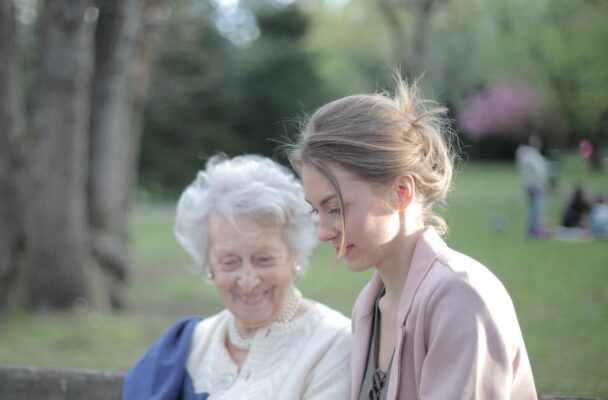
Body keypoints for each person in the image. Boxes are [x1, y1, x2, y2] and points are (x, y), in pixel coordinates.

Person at [289, 78, 538, 399]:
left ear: (401, 191)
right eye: (316, 211)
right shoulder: (369, 305)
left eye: (335, 208)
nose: (323, 232)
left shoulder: (461, 299)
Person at [122, 155, 352, 400]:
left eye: (264, 259)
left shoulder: (333, 344)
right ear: (210, 266)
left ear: (293, 255)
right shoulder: (188, 345)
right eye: (229, 262)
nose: (248, 280)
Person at [516, 133, 549, 237]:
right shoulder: (532, 156)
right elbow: (539, 172)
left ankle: (533, 228)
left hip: (531, 186)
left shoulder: (529, 156)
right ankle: (533, 229)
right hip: (534, 186)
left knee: (534, 209)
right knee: (536, 209)